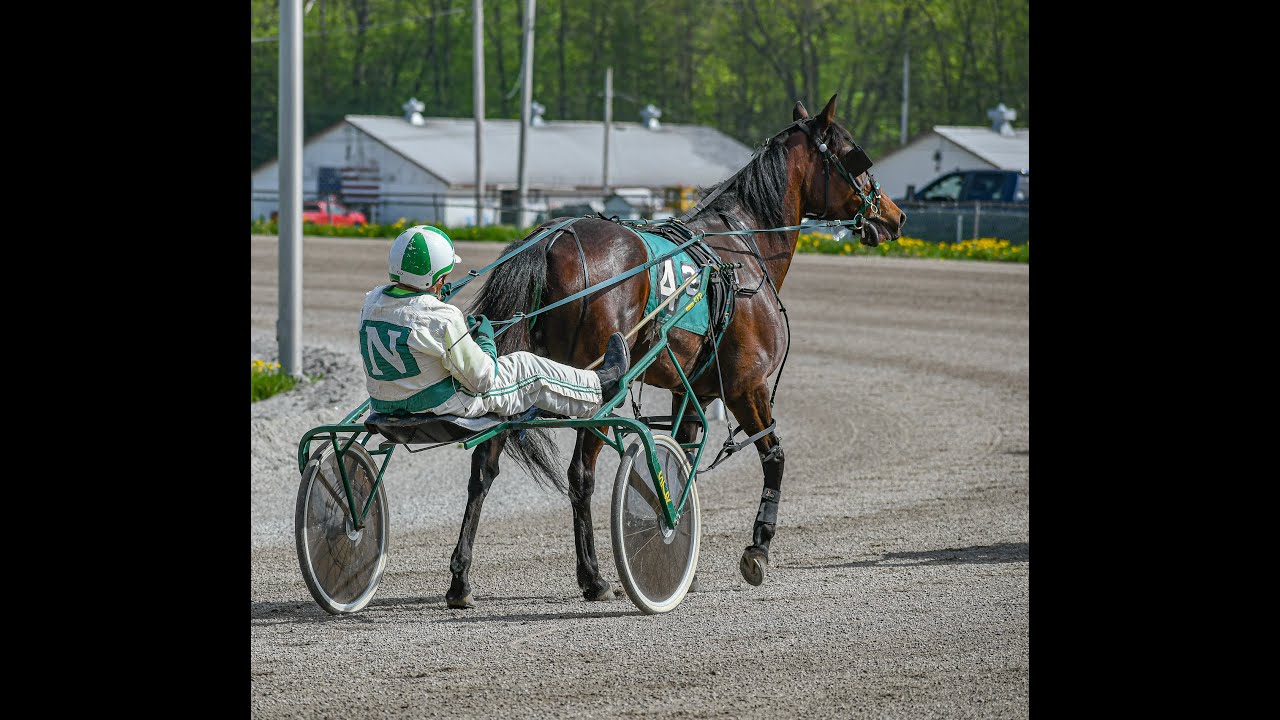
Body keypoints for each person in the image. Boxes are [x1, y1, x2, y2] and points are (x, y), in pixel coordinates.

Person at [358, 224, 631, 419]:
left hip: (384, 405)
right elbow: (483, 380)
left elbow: (410, 310)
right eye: (444, 276)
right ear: (436, 279)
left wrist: (434, 299)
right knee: (528, 367)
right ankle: (599, 389)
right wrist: (486, 341)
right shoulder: (443, 318)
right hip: (444, 405)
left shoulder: (371, 301)